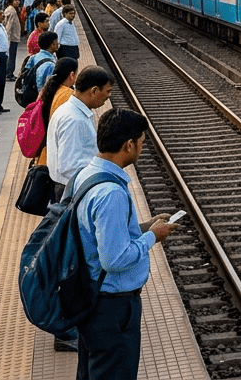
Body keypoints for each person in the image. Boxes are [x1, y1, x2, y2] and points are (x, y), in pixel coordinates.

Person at [73, 108, 178, 378]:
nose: (142, 148)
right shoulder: (111, 193)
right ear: (129, 145)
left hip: (92, 298)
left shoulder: (87, 174)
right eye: (142, 142)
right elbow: (115, 259)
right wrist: (153, 236)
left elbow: (98, 233)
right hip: (112, 306)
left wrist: (144, 227)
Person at [47, 65, 114, 201]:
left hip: (70, 186)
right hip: (72, 190)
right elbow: (70, 166)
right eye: (108, 91)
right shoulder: (74, 120)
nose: (109, 96)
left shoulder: (71, 111)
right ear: (94, 91)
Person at [3, 0, 23, 74]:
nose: (17, 2)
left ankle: (9, 71)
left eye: (18, 0)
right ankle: (9, 72)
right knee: (11, 56)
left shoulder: (11, 10)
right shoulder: (12, 11)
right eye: (16, 0)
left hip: (13, 36)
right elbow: (9, 25)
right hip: (12, 37)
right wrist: (8, 37)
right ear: (11, 1)